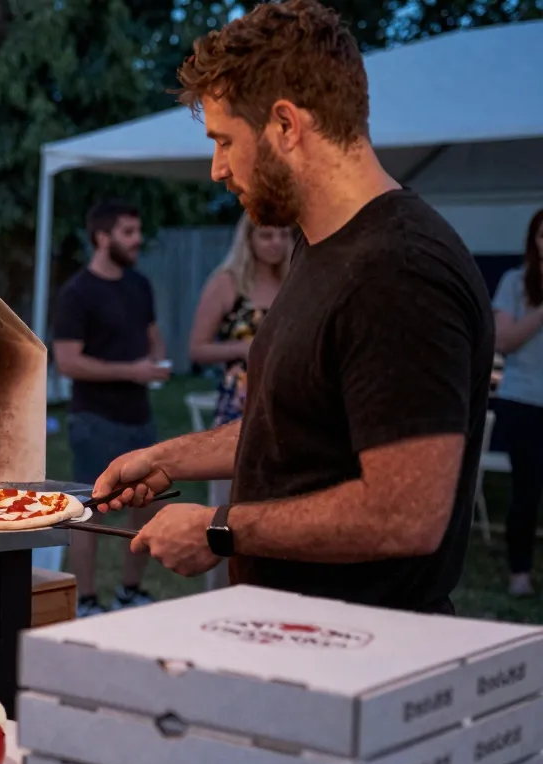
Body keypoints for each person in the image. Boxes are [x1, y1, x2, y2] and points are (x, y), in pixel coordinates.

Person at [92, 0, 494, 615]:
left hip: (363, 650)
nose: (216, 168)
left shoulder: (398, 272)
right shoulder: (323, 246)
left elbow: (404, 516)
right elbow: (298, 428)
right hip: (294, 636)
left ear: (285, 125)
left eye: (225, 140)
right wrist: (166, 457)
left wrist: (219, 528)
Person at [52, 201, 170, 615]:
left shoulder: (139, 285)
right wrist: (130, 371)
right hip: (94, 419)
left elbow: (153, 336)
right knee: (89, 510)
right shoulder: (77, 293)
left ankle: (129, 591)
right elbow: (67, 361)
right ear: (102, 237)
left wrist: (156, 360)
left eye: (137, 231)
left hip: (139, 416)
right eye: (127, 232)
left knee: (149, 503)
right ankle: (85, 600)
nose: (137, 240)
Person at [188, 214, 292, 590]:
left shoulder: (295, 281)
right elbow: (197, 347)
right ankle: (220, 589)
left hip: (288, 403)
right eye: (267, 235)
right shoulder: (228, 283)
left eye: (283, 233)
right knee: (229, 505)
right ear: (248, 238)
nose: (276, 243)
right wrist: (247, 348)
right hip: (239, 404)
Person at [490, 208, 543, 597]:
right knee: (527, 489)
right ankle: (519, 572)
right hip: (524, 399)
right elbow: (503, 341)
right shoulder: (515, 282)